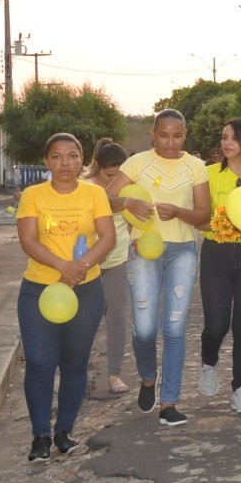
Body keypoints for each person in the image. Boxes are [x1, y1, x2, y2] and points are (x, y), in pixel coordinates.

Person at [107, 109, 211, 427]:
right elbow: (106, 198)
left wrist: (180, 211)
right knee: (145, 329)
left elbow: (205, 216)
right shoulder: (136, 163)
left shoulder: (195, 167)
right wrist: (127, 204)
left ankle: (169, 403)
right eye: (164, 135)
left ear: (186, 134)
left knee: (175, 329)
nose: (170, 142)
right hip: (143, 250)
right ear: (153, 133)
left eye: (177, 135)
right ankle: (148, 378)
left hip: (182, 252)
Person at [17, 133, 115, 461]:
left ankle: (65, 431)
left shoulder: (95, 193)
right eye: (57, 157)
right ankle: (40, 436)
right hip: (39, 290)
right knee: (40, 362)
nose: (65, 163)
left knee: (74, 362)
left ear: (82, 160)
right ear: (47, 161)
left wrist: (81, 267)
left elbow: (108, 237)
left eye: (73, 156)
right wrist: (63, 266)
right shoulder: (32, 195)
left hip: (86, 290)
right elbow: (29, 241)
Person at [197, 118, 241, 413]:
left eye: (233, 138)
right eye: (224, 137)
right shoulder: (207, 174)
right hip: (216, 256)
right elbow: (199, 216)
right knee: (217, 324)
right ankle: (208, 362)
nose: (226, 143)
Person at [82, 138, 131, 394]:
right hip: (86, 264)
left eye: (118, 176)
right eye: (109, 175)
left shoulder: (128, 187)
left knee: (117, 318)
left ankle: (114, 374)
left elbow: (135, 221)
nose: (114, 182)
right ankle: (77, 372)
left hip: (117, 261)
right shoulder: (85, 188)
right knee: (83, 319)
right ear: (98, 168)